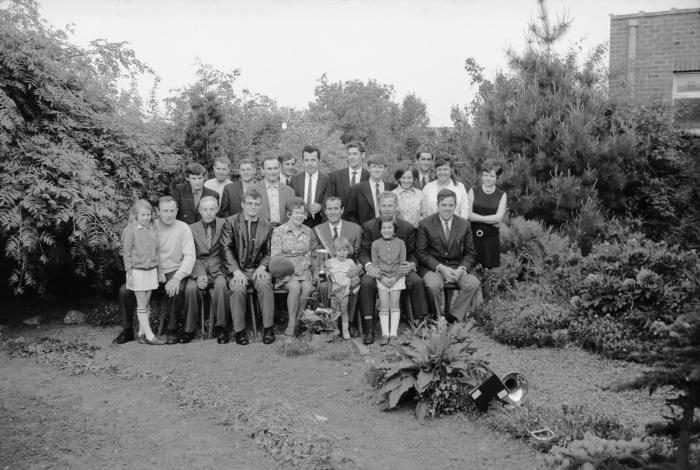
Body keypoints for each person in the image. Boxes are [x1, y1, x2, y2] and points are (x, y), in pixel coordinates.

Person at [113, 196, 195, 345]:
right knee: (125, 291)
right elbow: (130, 251)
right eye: (165, 211)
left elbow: (190, 256)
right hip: (148, 271)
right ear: (157, 211)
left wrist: (177, 278)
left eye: (172, 211)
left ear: (177, 211)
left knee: (176, 292)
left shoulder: (183, 228)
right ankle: (128, 330)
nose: (169, 214)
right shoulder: (149, 226)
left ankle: (172, 330)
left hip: (172, 271)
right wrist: (130, 272)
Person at [358, 191, 428, 345]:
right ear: (379, 207)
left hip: (400, 269)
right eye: (384, 205)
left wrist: (411, 264)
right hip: (377, 269)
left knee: (416, 281)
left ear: (397, 207)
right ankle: (369, 328)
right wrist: (369, 266)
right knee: (366, 283)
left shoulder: (407, 227)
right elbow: (363, 252)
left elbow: (413, 252)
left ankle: (420, 323)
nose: (387, 209)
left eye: (391, 205)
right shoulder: (369, 226)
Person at [417, 189, 480, 322]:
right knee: (433, 285)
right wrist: (441, 268)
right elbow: (422, 253)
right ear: (437, 205)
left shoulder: (464, 224)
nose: (447, 209)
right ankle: (438, 317)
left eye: (451, 205)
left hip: (455, 267)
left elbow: (470, 253)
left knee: (473, 283)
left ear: (455, 205)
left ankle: (454, 317)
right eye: (444, 205)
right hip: (432, 267)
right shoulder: (425, 224)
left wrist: (461, 269)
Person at [222, 189, 275, 345]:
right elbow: (226, 248)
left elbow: (271, 251)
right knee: (237, 288)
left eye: (257, 204)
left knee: (265, 285)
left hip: (257, 268)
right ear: (242, 204)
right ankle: (239, 331)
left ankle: (268, 328)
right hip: (237, 269)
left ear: (261, 206)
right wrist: (236, 271)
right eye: (249, 203)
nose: (253, 206)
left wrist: (263, 267)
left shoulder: (267, 225)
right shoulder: (231, 222)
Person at [182, 196, 228, 344]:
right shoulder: (191, 228)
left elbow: (228, 249)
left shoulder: (225, 224)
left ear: (217, 210)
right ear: (200, 210)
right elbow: (190, 254)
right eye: (205, 209)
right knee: (190, 288)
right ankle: (189, 329)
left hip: (218, 269)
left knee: (221, 286)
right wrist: (199, 275)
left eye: (212, 209)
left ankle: (221, 327)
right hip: (198, 268)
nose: (208, 213)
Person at [271, 198, 319, 336]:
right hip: (285, 270)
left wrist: (315, 270)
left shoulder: (309, 231)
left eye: (302, 213)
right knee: (295, 287)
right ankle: (292, 324)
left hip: (305, 270)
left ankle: (298, 321)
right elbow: (276, 256)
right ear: (288, 214)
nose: (300, 216)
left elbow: (312, 254)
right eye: (296, 213)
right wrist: (292, 268)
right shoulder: (279, 231)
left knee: (308, 288)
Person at [120, 199, 165, 345]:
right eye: (143, 215)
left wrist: (160, 271)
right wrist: (129, 272)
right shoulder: (129, 230)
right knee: (141, 303)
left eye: (148, 214)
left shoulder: (152, 229)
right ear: (135, 215)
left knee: (146, 303)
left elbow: (157, 252)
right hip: (137, 271)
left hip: (150, 271)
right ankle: (150, 336)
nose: (146, 218)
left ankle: (141, 334)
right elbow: (126, 253)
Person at [468, 159, 507, 300]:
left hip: (491, 239)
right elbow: (469, 216)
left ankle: (488, 308)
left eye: (491, 176)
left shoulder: (502, 195)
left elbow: (499, 218)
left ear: (497, 177)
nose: (488, 178)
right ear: (481, 175)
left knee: (489, 275)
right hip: (474, 237)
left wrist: (478, 217)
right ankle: (471, 309)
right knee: (473, 272)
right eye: (485, 175)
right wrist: (490, 219)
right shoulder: (473, 191)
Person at [371, 220, 406, 346]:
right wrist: (382, 279)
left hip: (397, 278)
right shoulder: (375, 244)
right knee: (384, 305)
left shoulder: (401, 243)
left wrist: (396, 278)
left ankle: (393, 334)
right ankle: (385, 334)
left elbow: (403, 264)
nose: (387, 230)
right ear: (380, 230)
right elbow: (375, 265)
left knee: (394, 304)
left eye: (389, 227)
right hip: (382, 278)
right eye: (384, 228)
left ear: (394, 229)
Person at [345, 154, 396, 226]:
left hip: (388, 230)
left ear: (385, 169)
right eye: (374, 167)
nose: (377, 170)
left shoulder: (392, 188)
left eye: (380, 167)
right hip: (365, 232)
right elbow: (350, 216)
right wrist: (360, 230)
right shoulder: (356, 189)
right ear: (368, 168)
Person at [325, 237, 361, 340]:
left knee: (344, 311)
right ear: (334, 251)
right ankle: (334, 329)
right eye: (339, 250)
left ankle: (345, 329)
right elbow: (325, 273)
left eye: (344, 250)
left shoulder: (350, 262)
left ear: (348, 251)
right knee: (333, 310)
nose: (342, 253)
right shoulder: (330, 262)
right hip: (334, 291)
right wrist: (328, 272)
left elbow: (355, 276)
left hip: (345, 291)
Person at [290, 145, 329, 228]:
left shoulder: (327, 180)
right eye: (307, 160)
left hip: (320, 224)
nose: (310, 163)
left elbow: (330, 201)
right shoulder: (294, 180)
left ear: (318, 161)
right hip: (299, 224)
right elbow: (291, 203)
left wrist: (321, 206)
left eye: (313, 160)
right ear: (303, 161)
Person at [252, 155, 296, 226]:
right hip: (260, 231)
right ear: (263, 170)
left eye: (275, 168)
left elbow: (293, 215)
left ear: (279, 169)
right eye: (269, 169)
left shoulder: (290, 191)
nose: (273, 172)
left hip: (283, 232)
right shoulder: (253, 189)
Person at [327, 140, 370, 206]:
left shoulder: (370, 177)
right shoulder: (335, 176)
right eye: (349, 154)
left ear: (363, 155)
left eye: (355, 154)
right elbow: (328, 202)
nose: (351, 157)